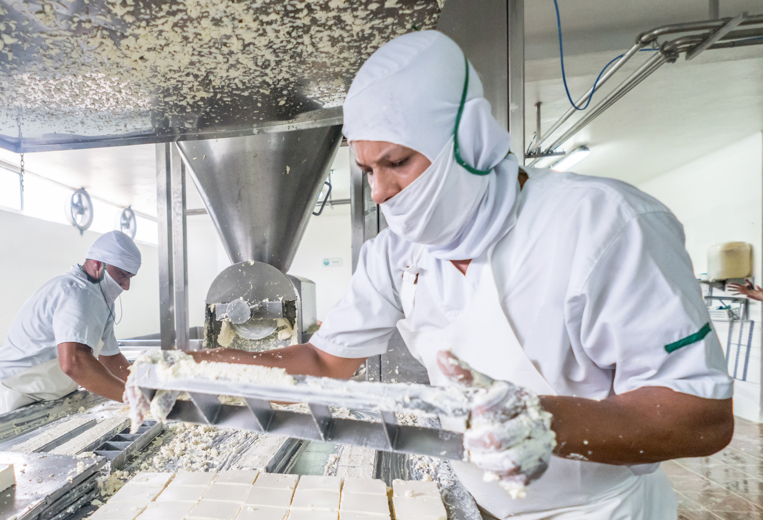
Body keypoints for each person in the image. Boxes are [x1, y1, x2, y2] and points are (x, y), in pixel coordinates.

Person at [161, 31, 733, 518]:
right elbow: (322, 362)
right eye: (367, 170)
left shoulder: (604, 226)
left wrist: (541, 423)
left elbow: (699, 416)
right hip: (479, 499)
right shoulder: (394, 254)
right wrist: (181, 368)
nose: (381, 192)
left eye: (398, 162)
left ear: (470, 139)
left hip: (601, 509)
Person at [0, 231, 141, 428]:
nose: (126, 286)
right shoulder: (75, 292)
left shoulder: (102, 300)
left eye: (130, 277)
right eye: (122, 275)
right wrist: (135, 399)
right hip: (9, 401)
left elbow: (110, 357)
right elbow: (74, 362)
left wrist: (146, 390)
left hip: (41, 400)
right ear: (97, 263)